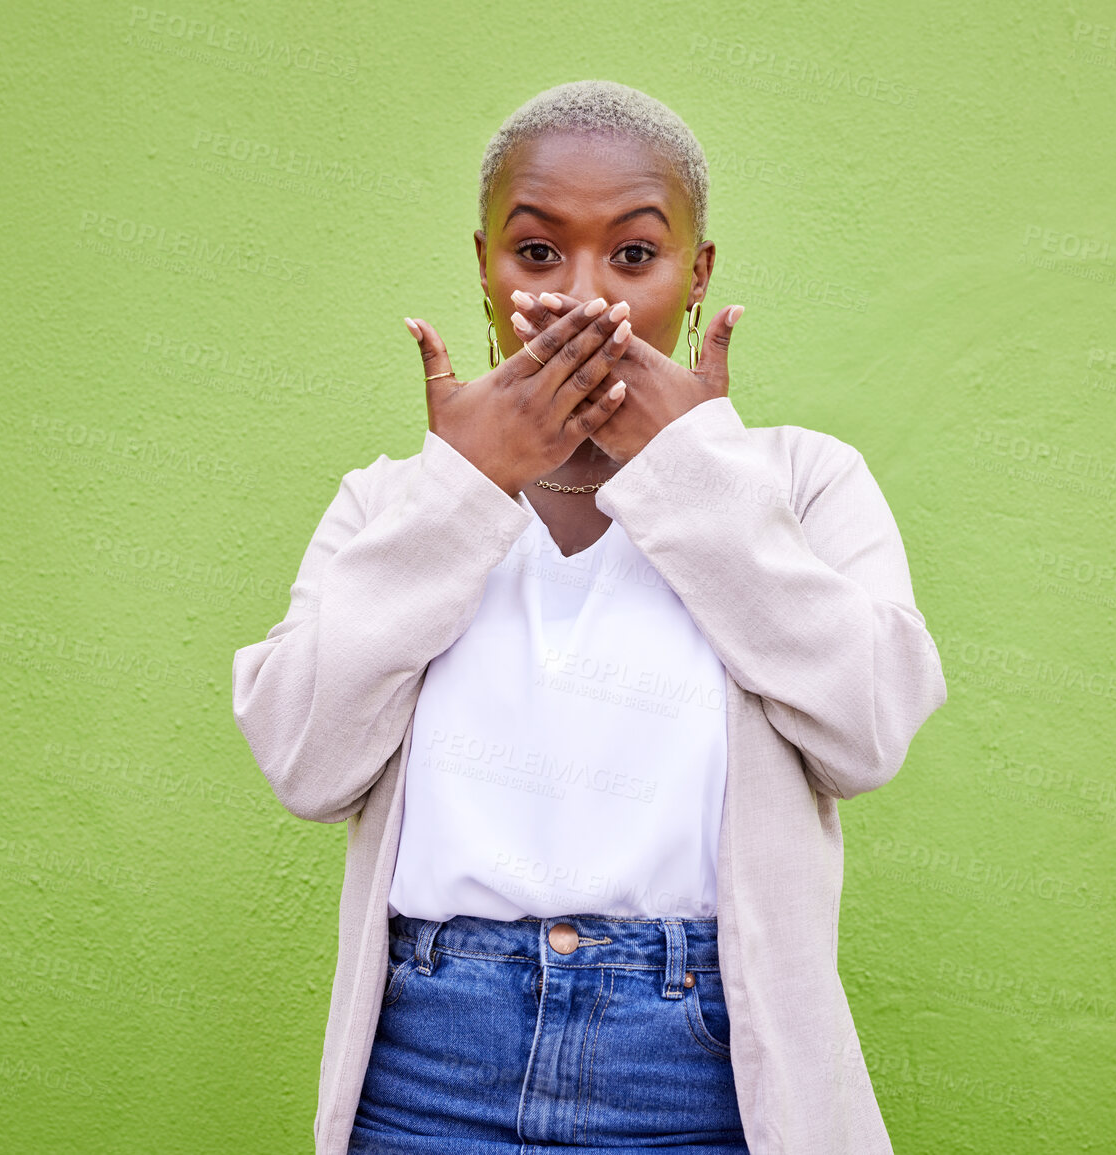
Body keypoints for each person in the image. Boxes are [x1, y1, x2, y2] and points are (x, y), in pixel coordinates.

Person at [232, 79, 948, 1155]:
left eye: (632, 255)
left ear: (696, 274)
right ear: (483, 264)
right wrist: (466, 491)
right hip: (432, 1068)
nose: (583, 297)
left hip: (701, 1069)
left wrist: (691, 478)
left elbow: (870, 730)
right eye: (535, 253)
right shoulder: (393, 502)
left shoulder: (799, 485)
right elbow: (302, 759)